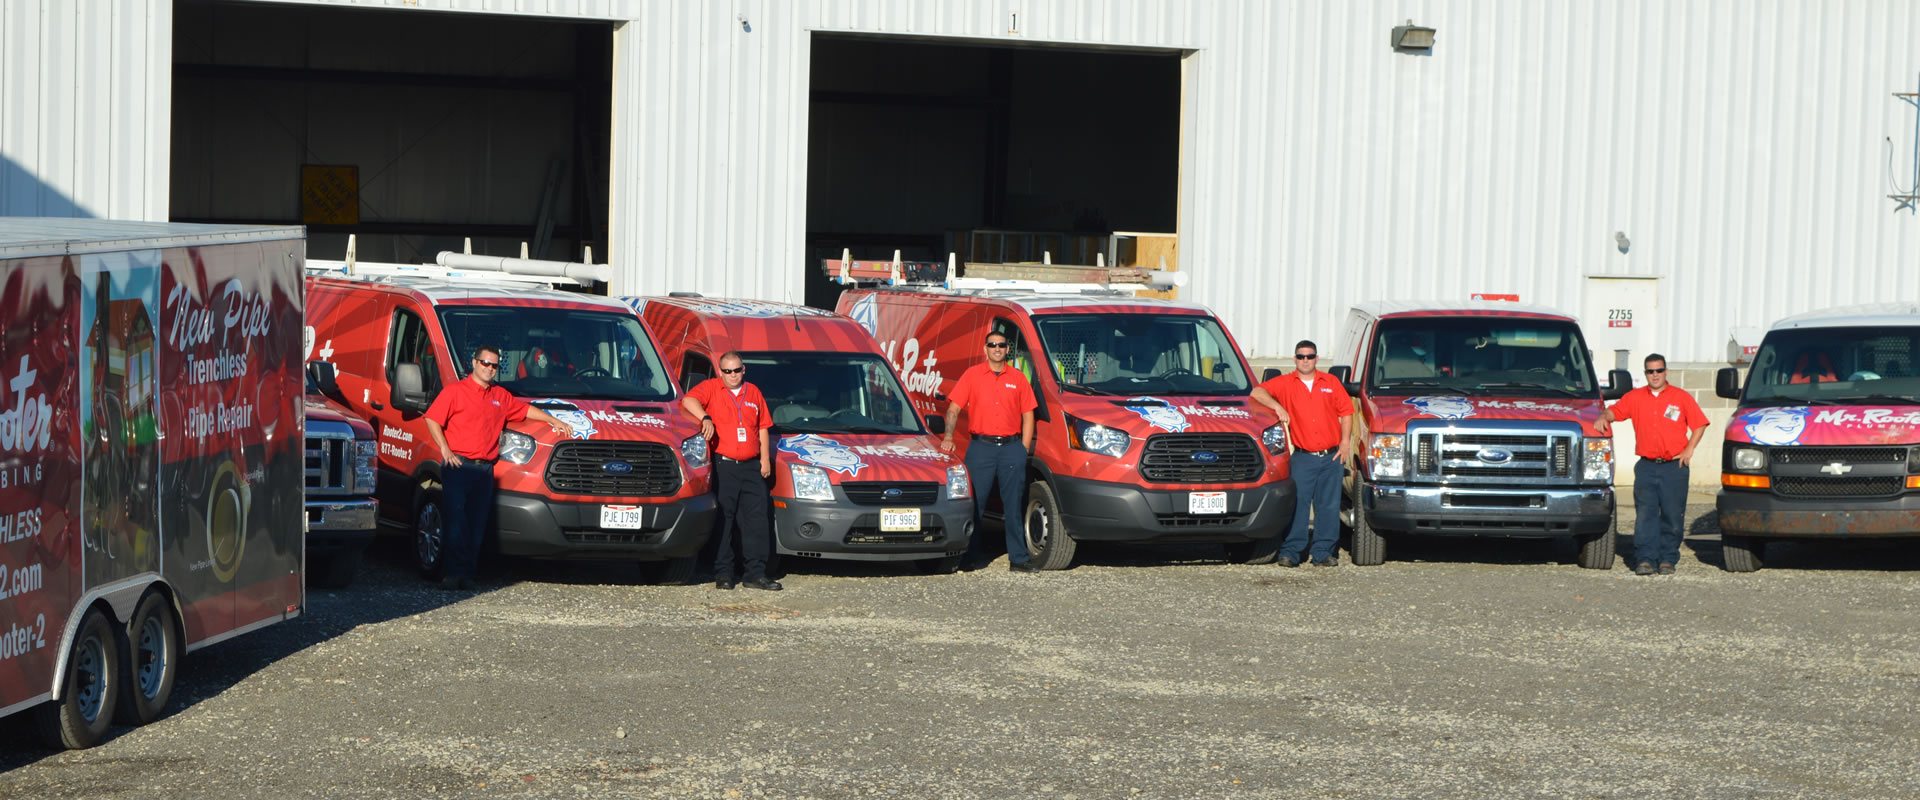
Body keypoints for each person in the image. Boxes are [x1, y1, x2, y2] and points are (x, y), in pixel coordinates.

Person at [423, 345, 575, 590]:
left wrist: (553, 420)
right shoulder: (455, 392)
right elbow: (432, 418)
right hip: (459, 465)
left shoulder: (500, 396)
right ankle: (452, 575)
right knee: (455, 522)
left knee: (477, 523)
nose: (489, 369)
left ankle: (468, 575)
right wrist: (444, 449)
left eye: (494, 365)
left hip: (485, 470)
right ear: (474, 363)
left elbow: (525, 410)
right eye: (485, 363)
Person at [1597, 353, 1710, 576]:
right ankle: (1646, 558)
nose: (1655, 375)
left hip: (1674, 467)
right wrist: (1603, 416)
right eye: (1650, 371)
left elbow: (1700, 424)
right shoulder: (1635, 397)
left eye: (1659, 370)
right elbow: (1615, 411)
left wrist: (1689, 449)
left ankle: (1668, 558)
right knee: (1646, 514)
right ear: (1646, 373)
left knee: (1672, 514)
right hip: (1647, 467)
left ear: (1666, 372)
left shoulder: (1681, 397)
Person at [941, 331, 1039, 572]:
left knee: (1013, 505)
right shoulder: (972, 375)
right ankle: (970, 556)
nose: (997, 348)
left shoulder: (1018, 379)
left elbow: (1029, 415)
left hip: (1010, 448)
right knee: (975, 505)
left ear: (1008, 350)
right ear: (985, 349)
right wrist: (948, 436)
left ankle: (1018, 559)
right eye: (992, 345)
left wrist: (1023, 448)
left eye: (1001, 345)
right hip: (981, 448)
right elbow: (953, 409)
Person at [683, 352, 779, 591]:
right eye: (727, 371)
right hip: (725, 464)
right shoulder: (712, 388)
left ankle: (755, 573)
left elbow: (764, 427)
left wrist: (764, 459)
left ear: (743, 370)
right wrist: (705, 417)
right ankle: (724, 573)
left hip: (752, 464)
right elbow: (688, 400)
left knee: (757, 520)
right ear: (720, 371)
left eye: (736, 370)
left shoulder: (754, 392)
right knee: (724, 519)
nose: (732, 375)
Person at [1250, 340, 1349, 567]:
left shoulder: (1331, 382)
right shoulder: (1285, 383)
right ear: (1295, 359)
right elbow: (1257, 392)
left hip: (1331, 456)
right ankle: (1291, 552)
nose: (1306, 360)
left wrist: (1345, 443)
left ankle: (1323, 553)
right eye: (1301, 356)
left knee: (1328, 506)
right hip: (1303, 457)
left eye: (1310, 356)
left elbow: (1346, 413)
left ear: (1317, 358)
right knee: (1298, 505)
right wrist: (1277, 406)